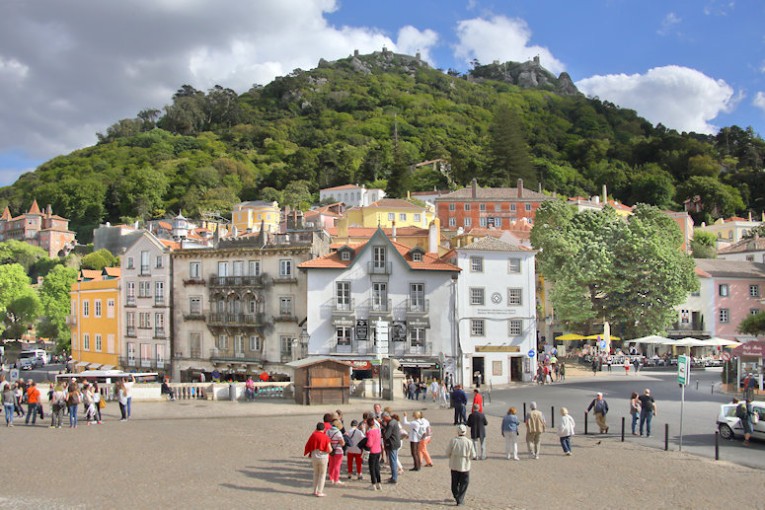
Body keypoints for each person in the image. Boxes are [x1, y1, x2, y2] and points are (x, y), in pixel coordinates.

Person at [446, 424, 475, 507]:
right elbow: (473, 455)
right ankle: (460, 498)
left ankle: (456, 496)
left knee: (454, 482)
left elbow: (447, 452)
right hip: (465, 465)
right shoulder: (469, 442)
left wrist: (452, 456)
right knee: (464, 482)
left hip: (454, 463)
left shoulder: (453, 441)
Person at [303, 422, 332, 497]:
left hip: (314, 456)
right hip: (323, 457)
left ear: (316, 428)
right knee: (322, 474)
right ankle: (320, 491)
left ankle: (314, 490)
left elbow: (308, 445)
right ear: (324, 429)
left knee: (316, 473)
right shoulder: (325, 437)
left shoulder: (313, 435)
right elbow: (329, 449)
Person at [381, 412, 401, 484]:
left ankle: (394, 478)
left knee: (393, 461)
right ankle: (393, 476)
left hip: (392, 443)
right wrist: (383, 425)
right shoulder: (394, 421)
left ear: (386, 417)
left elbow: (386, 435)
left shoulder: (391, 424)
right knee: (394, 460)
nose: (384, 420)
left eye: (384, 419)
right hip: (395, 442)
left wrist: (382, 431)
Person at [365, 416, 383, 491]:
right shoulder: (378, 431)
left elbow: (369, 444)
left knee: (372, 468)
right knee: (377, 467)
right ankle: (379, 483)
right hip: (378, 450)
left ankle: (373, 484)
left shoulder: (370, 432)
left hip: (372, 451)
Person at [326, 419, 346, 485]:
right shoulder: (338, 432)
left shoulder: (328, 431)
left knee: (331, 464)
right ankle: (336, 479)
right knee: (337, 465)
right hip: (338, 450)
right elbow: (342, 443)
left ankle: (331, 478)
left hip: (331, 450)